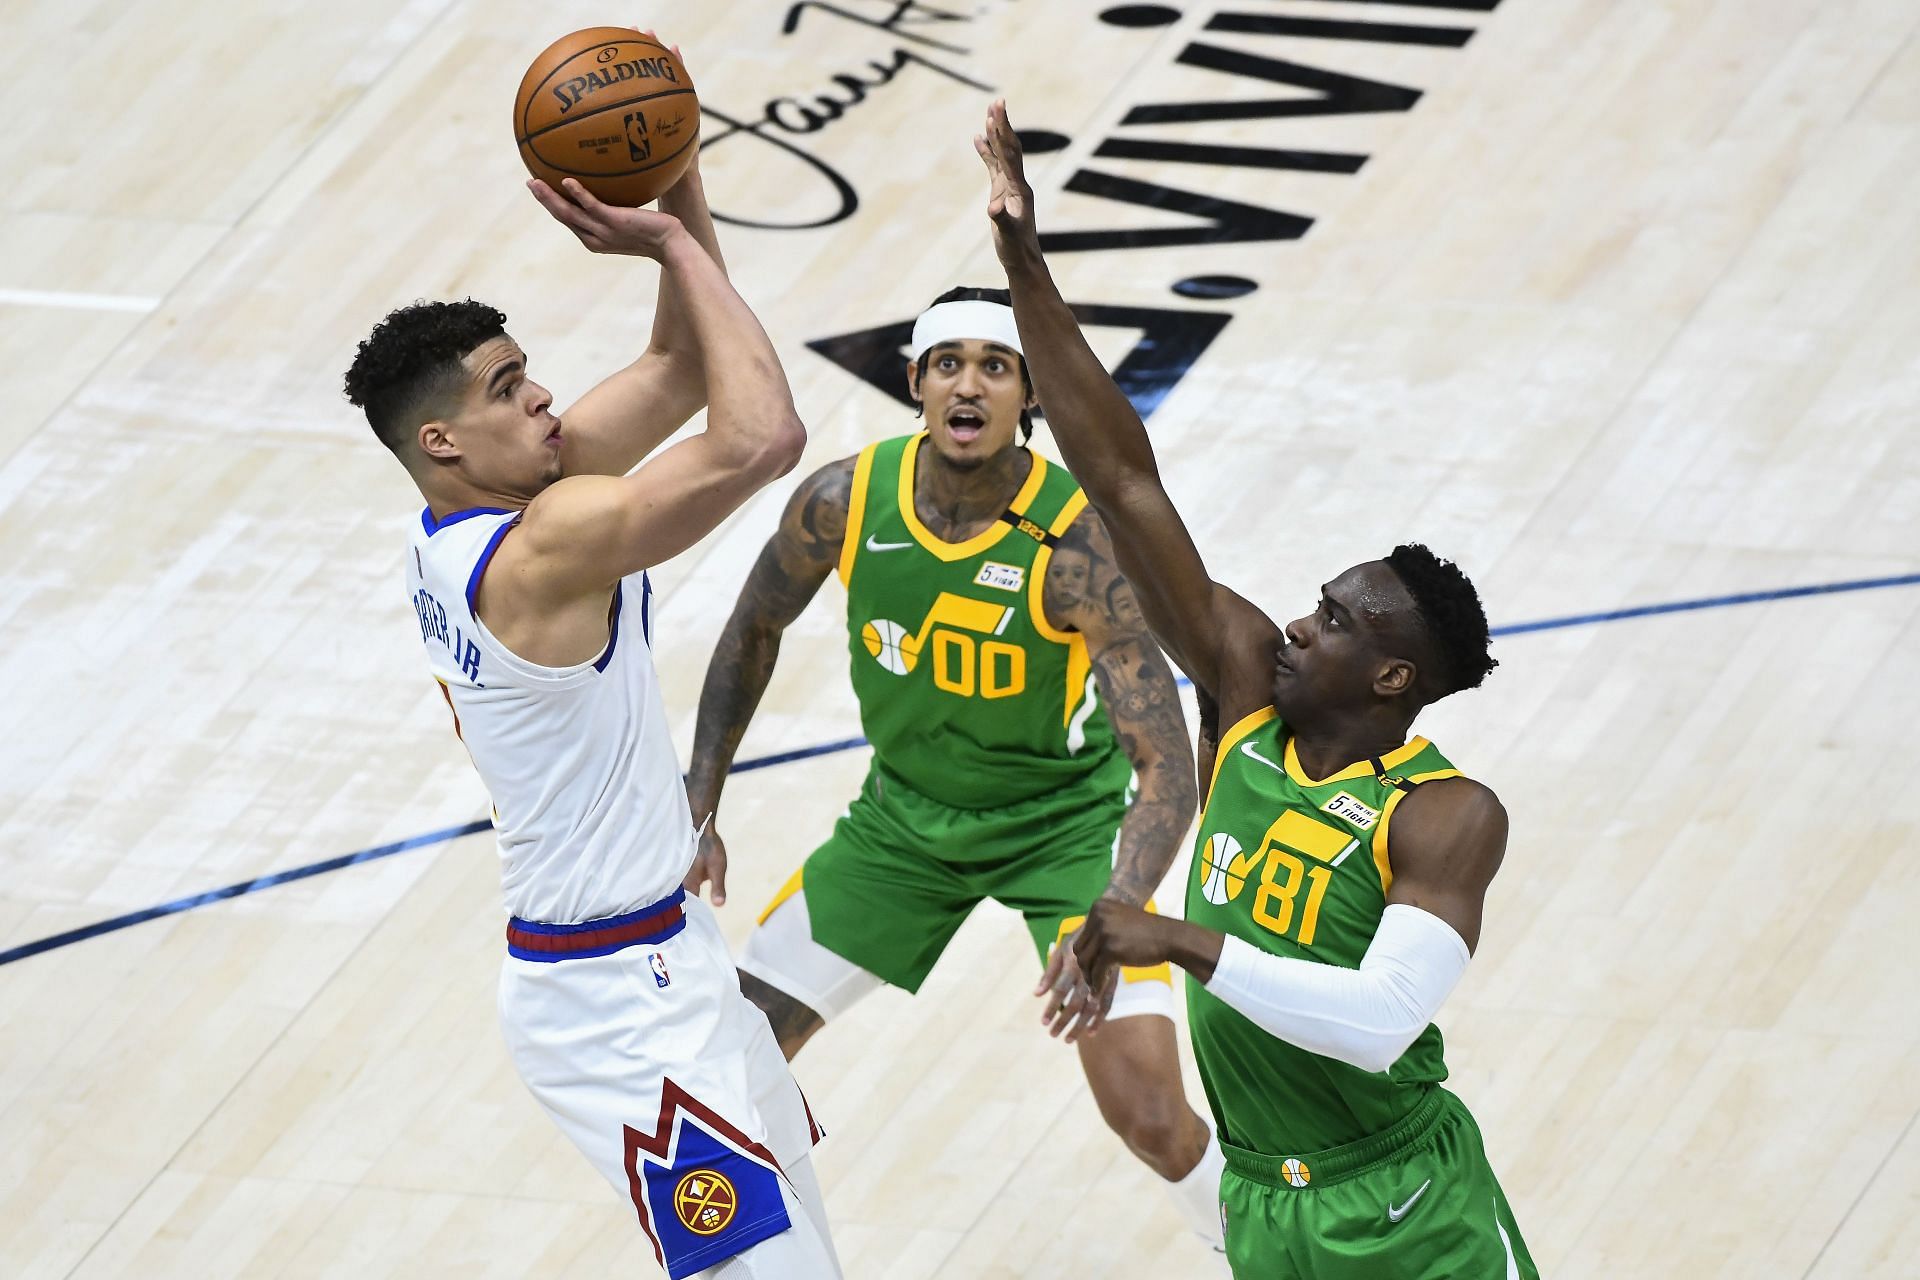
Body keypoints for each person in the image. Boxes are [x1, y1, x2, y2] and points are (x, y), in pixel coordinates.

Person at [976, 101, 1540, 1279]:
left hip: (1405, 1200)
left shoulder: (1444, 814)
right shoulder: (1244, 697)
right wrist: (1025, 264)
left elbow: (1382, 1020)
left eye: (1335, 619)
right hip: (1263, 1203)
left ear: (1393, 676)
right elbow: (1125, 481)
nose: (1297, 620)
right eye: (1313, 599)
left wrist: (1174, 936)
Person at [343, 148, 841, 1279]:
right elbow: (763, 438)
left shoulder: (495, 506)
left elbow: (678, 359)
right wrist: (667, 242)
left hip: (671, 954)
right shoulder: (541, 550)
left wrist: (678, 176)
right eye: (510, 387)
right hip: (615, 1000)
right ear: (443, 442)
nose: (545, 397)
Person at [683, 286, 1228, 1249]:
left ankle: (1262, 1254)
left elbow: (1168, 765)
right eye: (948, 363)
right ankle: (788, 1264)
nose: (967, 384)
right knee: (737, 1058)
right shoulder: (845, 499)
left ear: (1030, 400)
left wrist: (1122, 902)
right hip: (904, 827)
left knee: (1147, 1111)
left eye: (995, 366)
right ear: (914, 384)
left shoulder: (1078, 544)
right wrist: (702, 795)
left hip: (1067, 832)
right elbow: (752, 628)